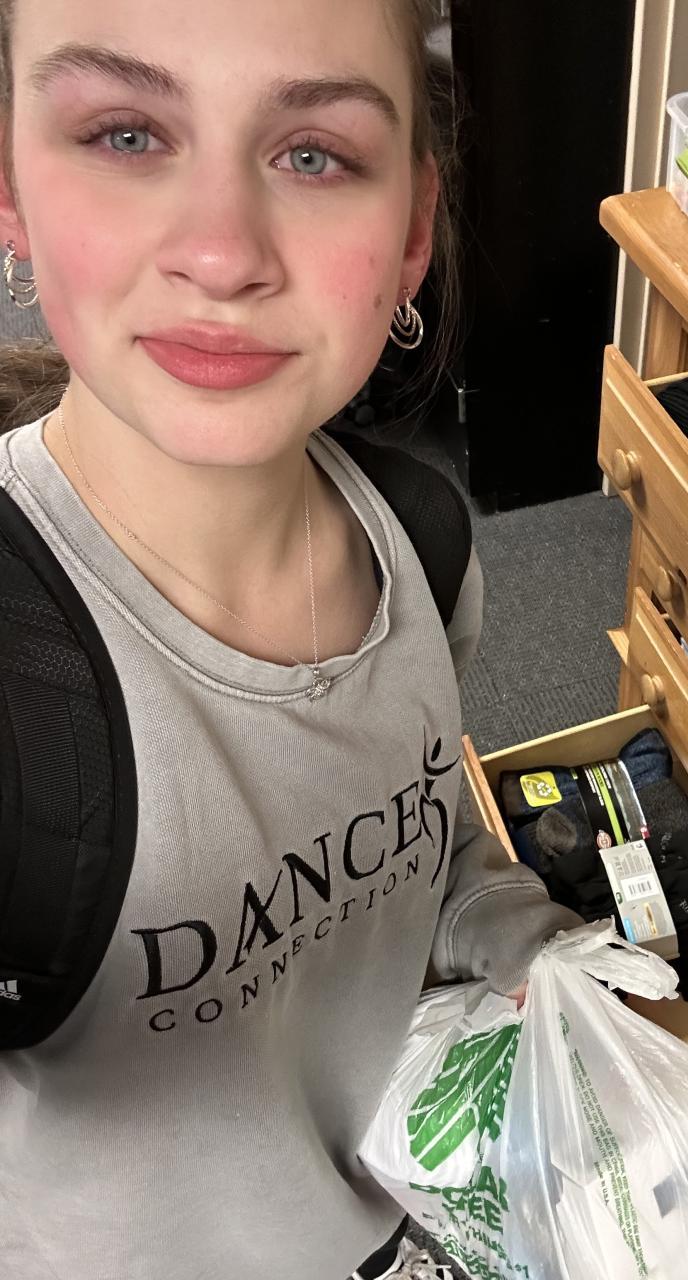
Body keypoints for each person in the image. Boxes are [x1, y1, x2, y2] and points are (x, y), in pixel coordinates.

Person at [0, 2, 581, 1277]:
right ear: (11, 186)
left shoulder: (423, 542)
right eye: (125, 133)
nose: (222, 254)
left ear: (413, 229)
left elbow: (409, 830)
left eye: (315, 154)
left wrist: (506, 923)